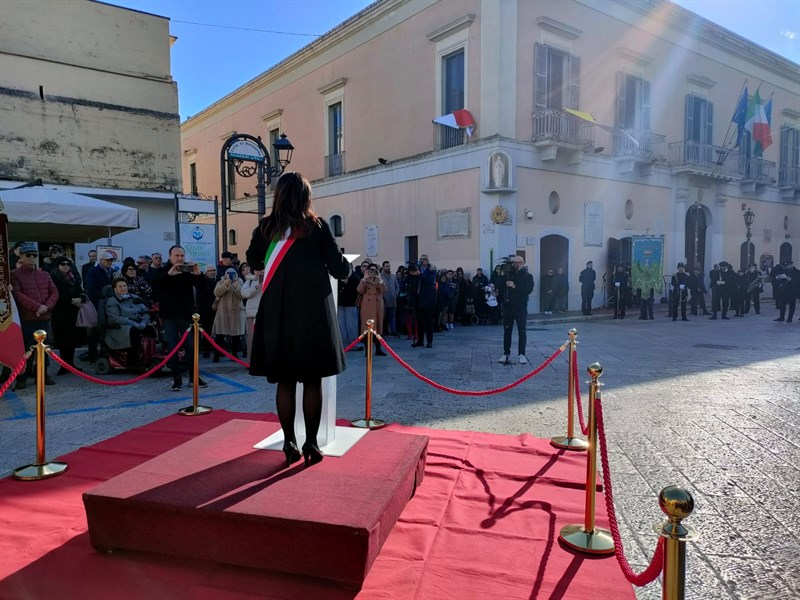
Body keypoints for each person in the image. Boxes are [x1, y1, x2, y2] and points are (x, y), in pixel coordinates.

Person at [245, 172, 352, 468]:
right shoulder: (315, 227)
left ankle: (289, 441)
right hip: (312, 314)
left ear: (278, 195)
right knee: (313, 381)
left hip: (277, 314)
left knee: (285, 381)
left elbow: (253, 261)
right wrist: (346, 263)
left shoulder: (266, 227)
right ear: (306, 196)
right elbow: (339, 269)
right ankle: (312, 444)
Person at [151, 245, 208, 392]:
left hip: (186, 315)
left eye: (182, 256)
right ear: (170, 256)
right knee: (172, 347)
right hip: (169, 316)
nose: (180, 258)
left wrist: (198, 274)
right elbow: (154, 285)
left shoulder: (186, 270)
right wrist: (168, 275)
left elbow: (205, 287)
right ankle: (177, 379)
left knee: (191, 347)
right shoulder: (162, 271)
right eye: (177, 256)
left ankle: (193, 377)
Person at [10, 243, 59, 389]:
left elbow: (54, 292)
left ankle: (42, 375)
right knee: (26, 351)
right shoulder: (14, 274)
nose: (32, 257)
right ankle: (22, 378)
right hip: (27, 319)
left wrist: (46, 307)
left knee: (44, 350)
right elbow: (18, 295)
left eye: (34, 255)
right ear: (21, 256)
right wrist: (37, 307)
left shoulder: (44, 274)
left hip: (44, 318)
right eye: (28, 255)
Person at [50, 257, 87, 374]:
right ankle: (64, 365)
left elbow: (80, 290)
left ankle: (70, 364)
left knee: (72, 339)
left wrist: (81, 298)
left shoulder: (73, 277)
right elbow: (55, 294)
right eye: (63, 264)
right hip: (60, 312)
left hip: (73, 312)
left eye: (68, 264)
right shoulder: (53, 277)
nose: (66, 266)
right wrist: (72, 300)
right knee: (62, 340)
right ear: (57, 265)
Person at [104, 277, 154, 359]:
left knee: (149, 328)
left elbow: (145, 312)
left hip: (139, 322)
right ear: (115, 289)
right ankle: (134, 358)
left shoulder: (135, 297)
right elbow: (114, 318)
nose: (123, 288)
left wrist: (144, 322)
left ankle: (149, 355)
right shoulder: (112, 301)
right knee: (133, 331)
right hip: (121, 326)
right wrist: (132, 323)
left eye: (124, 286)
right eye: (120, 286)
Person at [498, 256, 534, 365]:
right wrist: (502, 276)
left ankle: (522, 354)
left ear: (523, 263)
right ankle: (506, 354)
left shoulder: (528, 276)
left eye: (519, 262)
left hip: (521, 307)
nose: (516, 264)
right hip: (508, 306)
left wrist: (515, 286)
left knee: (522, 331)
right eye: (515, 263)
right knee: (507, 331)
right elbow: (499, 286)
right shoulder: (508, 274)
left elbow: (528, 290)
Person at [211, 267, 246, 361]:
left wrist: (236, 287)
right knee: (220, 335)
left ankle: (234, 355)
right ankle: (216, 355)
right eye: (228, 273)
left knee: (236, 335)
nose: (230, 275)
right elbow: (216, 293)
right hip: (223, 312)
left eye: (233, 273)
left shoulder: (240, 281)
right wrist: (225, 284)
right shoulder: (221, 282)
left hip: (237, 312)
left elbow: (243, 295)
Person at [357, 264, 387, 355]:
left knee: (377, 328)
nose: (373, 272)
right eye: (371, 270)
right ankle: (368, 350)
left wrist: (380, 279)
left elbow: (384, 290)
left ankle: (378, 349)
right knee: (367, 329)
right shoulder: (365, 279)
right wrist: (364, 279)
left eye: (375, 270)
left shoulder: (379, 279)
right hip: (367, 306)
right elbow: (359, 290)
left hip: (377, 306)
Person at [414, 254, 437, 348]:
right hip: (418, 298)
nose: (422, 261)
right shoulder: (417, 269)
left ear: (427, 261)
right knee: (419, 322)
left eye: (423, 260)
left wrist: (420, 274)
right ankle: (420, 340)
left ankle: (429, 341)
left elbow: (429, 281)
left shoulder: (431, 270)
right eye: (421, 259)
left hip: (428, 299)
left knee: (428, 322)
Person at [240, 267, 263, 360]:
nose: (259, 271)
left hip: (264, 311)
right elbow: (244, 293)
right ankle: (251, 361)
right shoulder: (249, 280)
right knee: (251, 338)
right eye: (257, 270)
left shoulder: (269, 277)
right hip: (252, 312)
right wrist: (256, 288)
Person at [380, 260, 399, 336]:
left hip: (393, 300)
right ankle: (382, 331)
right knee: (383, 317)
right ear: (383, 267)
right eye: (386, 266)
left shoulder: (393, 276)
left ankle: (393, 330)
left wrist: (395, 294)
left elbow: (397, 287)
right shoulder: (380, 277)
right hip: (384, 300)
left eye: (389, 266)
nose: (388, 268)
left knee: (392, 316)